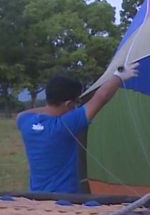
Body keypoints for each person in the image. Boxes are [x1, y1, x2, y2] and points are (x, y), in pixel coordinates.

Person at [16, 63, 138, 193]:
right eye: (75, 104)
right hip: (66, 198)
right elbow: (101, 97)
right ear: (68, 104)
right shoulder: (65, 126)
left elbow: (21, 114)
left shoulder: (25, 122)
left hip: (36, 197)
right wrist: (119, 76)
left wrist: (48, 108)